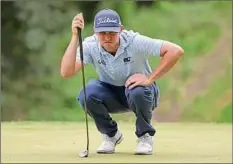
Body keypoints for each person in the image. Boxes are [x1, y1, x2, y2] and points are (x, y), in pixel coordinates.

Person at [60, 8, 184, 155]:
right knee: (87, 94)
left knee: (138, 90)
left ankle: (145, 136)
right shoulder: (90, 45)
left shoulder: (134, 41)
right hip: (111, 94)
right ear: (95, 32)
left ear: (120, 29)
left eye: (112, 32)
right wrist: (75, 37)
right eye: (102, 33)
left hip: (142, 93)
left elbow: (175, 51)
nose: (107, 37)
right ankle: (111, 135)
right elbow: (66, 72)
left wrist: (149, 78)